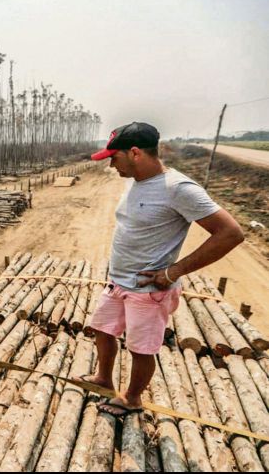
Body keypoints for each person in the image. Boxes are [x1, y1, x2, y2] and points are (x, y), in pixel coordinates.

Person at [80, 122, 244, 417]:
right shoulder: (137, 182)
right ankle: (103, 378)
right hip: (119, 282)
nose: (110, 165)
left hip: (147, 290)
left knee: (141, 348)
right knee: (102, 330)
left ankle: (131, 399)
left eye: (113, 158)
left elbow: (231, 233)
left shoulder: (178, 188)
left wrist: (173, 272)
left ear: (134, 153)